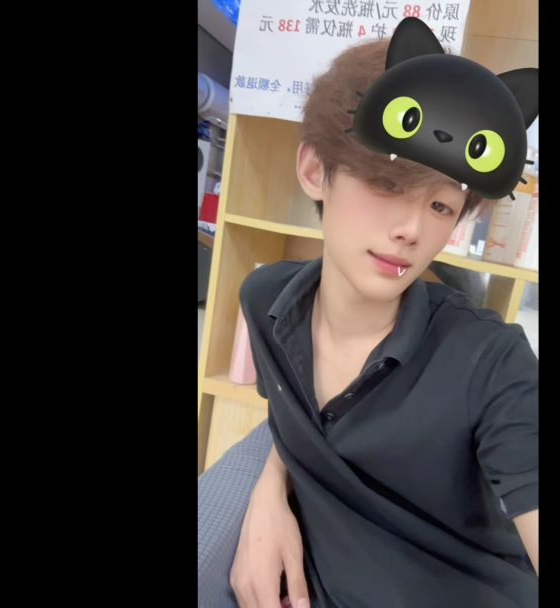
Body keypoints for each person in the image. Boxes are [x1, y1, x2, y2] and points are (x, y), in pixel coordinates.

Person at [226, 21, 539, 608]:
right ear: (315, 170)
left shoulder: (491, 362)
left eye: (441, 205)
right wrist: (270, 490)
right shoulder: (266, 300)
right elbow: (291, 414)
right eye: (388, 183)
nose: (411, 230)